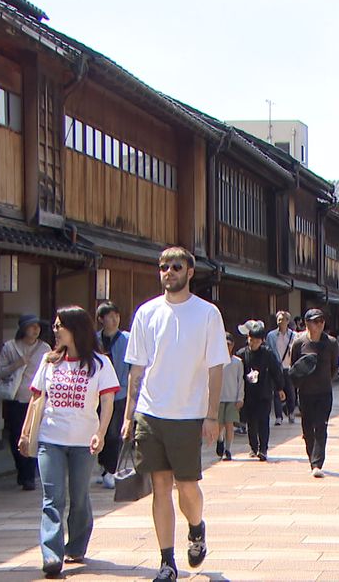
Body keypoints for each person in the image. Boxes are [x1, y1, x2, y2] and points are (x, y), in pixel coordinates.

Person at [121, 247, 229, 582]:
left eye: (176, 266)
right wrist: (128, 415)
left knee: (187, 486)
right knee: (160, 485)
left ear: (190, 272)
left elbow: (215, 368)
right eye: (163, 267)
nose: (169, 272)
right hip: (150, 412)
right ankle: (167, 562)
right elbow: (136, 369)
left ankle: (196, 528)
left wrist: (211, 415)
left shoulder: (207, 314)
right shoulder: (146, 313)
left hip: (188, 413)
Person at [21, 306, 119, 578]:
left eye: (58, 326)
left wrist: (100, 432)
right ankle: (52, 555)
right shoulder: (49, 361)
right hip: (50, 438)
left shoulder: (100, 363)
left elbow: (108, 402)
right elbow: (37, 398)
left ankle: (76, 545)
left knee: (78, 496)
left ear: (75, 329)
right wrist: (26, 432)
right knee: (52, 498)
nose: (54, 330)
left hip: (83, 441)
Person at [0, 313, 51, 490]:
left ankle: (29, 475)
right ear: (23, 329)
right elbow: (0, 372)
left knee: (36, 435)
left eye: (38, 326)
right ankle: (22, 471)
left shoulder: (45, 348)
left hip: (37, 399)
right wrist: (18, 363)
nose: (36, 329)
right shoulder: (10, 348)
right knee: (16, 437)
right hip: (17, 398)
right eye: (31, 326)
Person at [288, 308, 339, 478]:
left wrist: (325, 379)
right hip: (305, 392)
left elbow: (334, 367)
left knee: (320, 426)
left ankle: (317, 463)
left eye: (321, 321)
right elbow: (294, 367)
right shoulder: (298, 343)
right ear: (307, 323)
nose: (319, 324)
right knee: (307, 429)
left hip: (324, 392)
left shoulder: (331, 343)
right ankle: (312, 457)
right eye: (315, 321)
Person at [237, 320, 285, 461]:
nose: (253, 343)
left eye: (257, 341)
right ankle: (253, 447)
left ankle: (263, 449)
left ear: (262, 341)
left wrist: (280, 388)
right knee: (251, 422)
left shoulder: (267, 354)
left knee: (263, 421)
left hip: (264, 392)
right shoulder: (242, 354)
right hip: (248, 393)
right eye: (251, 340)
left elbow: (276, 371)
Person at [95, 302, 130, 489]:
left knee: (114, 433)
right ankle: (104, 466)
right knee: (100, 430)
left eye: (117, 315)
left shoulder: (127, 339)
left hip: (120, 392)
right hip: (97, 393)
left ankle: (111, 470)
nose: (115, 319)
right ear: (101, 319)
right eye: (110, 316)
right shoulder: (94, 340)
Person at [264, 311, 297, 425]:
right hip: (277, 367)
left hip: (289, 366)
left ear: (288, 321)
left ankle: (291, 412)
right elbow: (268, 350)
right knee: (277, 391)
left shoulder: (293, 335)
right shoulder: (271, 335)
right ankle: (279, 416)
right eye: (278, 319)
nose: (280, 321)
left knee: (291, 391)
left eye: (282, 319)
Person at [215, 334, 243, 461]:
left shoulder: (237, 362)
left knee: (229, 424)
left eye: (229, 344)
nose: (227, 347)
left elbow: (240, 381)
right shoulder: (216, 361)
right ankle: (220, 439)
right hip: (219, 397)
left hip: (232, 397)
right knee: (219, 424)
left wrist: (240, 397)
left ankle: (228, 449)